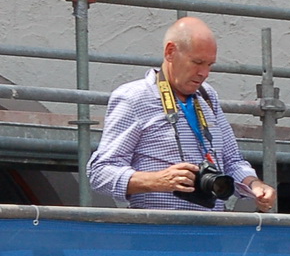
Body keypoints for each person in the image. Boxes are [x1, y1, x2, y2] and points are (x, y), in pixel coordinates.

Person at [87, 18, 274, 212]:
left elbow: (232, 161)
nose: (204, 73)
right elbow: (99, 173)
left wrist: (254, 185)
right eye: (197, 62)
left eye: (210, 65)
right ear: (170, 52)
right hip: (158, 231)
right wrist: (156, 181)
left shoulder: (207, 96)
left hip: (212, 230)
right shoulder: (134, 97)